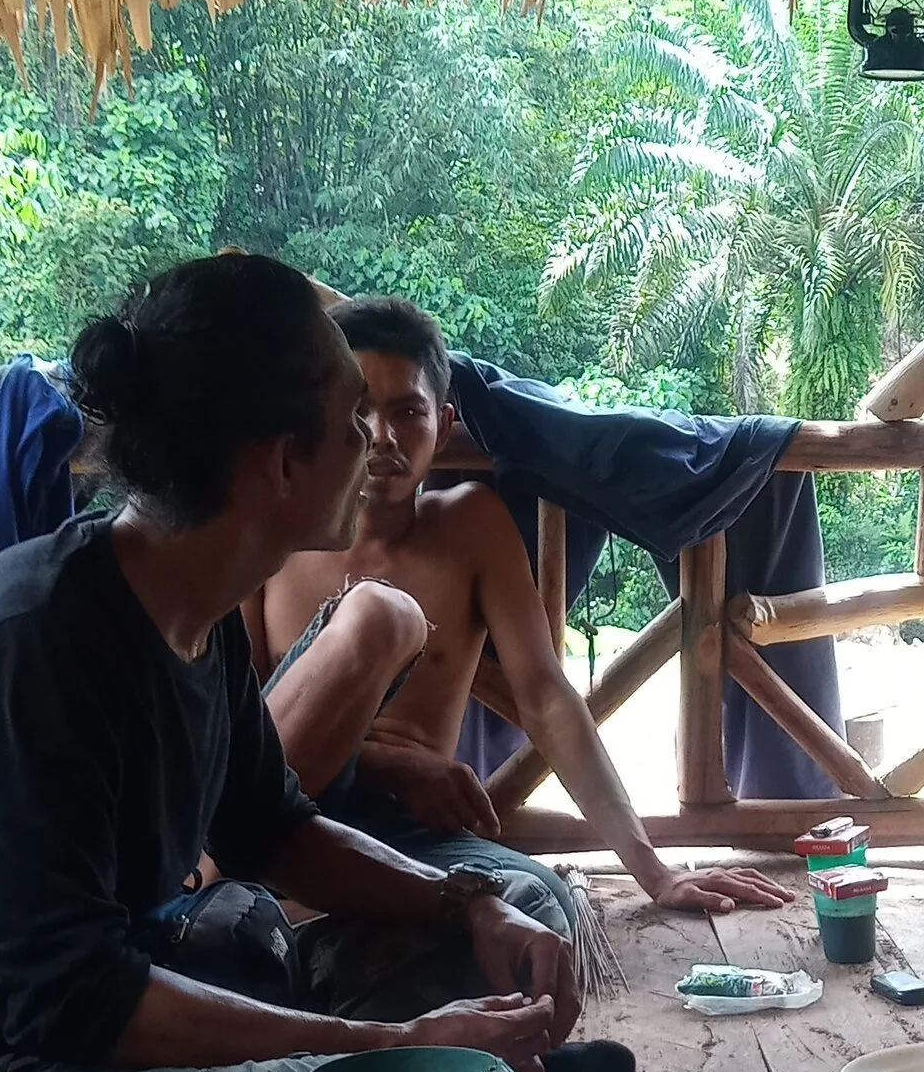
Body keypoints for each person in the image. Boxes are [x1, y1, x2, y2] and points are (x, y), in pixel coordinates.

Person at [0, 253, 576, 1072]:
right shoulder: (35, 645)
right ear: (277, 462)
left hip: (126, 1006)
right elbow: (73, 1000)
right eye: (356, 420)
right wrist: (385, 1045)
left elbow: (272, 827)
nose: (377, 449)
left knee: (520, 914)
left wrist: (468, 899)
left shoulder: (200, 606)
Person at [247, 295, 786, 931]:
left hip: (412, 838)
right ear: (322, 416)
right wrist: (390, 763)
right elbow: (240, 731)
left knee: (539, 909)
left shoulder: (470, 526)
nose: (382, 437)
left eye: (407, 412)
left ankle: (316, 947)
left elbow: (548, 698)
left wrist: (655, 870)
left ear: (443, 425)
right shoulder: (268, 532)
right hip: (282, 826)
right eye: (358, 410)